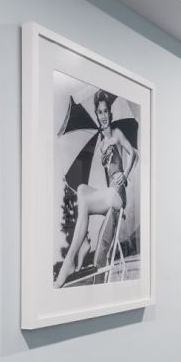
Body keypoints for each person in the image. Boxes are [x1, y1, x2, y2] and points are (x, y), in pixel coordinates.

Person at [54, 90, 138, 288]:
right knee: (82, 189)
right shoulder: (100, 144)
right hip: (109, 193)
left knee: (84, 199)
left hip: (118, 195)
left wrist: (125, 175)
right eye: (99, 112)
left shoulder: (117, 134)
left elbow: (133, 154)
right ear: (97, 114)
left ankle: (70, 260)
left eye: (105, 111)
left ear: (110, 113)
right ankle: (82, 245)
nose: (103, 116)